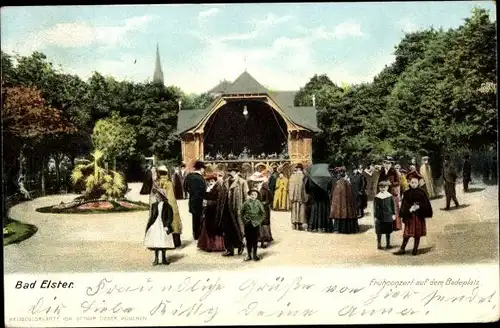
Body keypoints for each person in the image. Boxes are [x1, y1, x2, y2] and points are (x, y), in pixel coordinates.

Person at [395, 171, 433, 256]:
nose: (414, 184)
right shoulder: (407, 193)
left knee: (417, 233)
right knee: (407, 233)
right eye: (412, 182)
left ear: (418, 182)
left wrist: (419, 206)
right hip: (410, 217)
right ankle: (402, 248)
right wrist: (409, 209)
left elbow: (426, 204)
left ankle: (415, 249)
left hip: (418, 217)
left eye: (415, 182)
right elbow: (404, 205)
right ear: (409, 182)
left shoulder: (422, 192)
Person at [144, 190, 174, 266]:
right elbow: (151, 217)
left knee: (163, 241)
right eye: (156, 196)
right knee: (156, 241)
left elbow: (170, 217)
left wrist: (167, 225)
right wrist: (149, 225)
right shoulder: (154, 205)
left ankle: (164, 259)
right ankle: (156, 259)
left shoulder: (167, 206)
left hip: (163, 225)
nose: (156, 197)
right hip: (155, 225)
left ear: (162, 197)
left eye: (158, 196)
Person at [222, 165, 247, 256]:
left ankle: (240, 245)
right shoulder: (225, 182)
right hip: (227, 209)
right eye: (230, 171)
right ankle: (229, 249)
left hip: (237, 209)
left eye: (233, 171)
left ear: (238, 173)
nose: (231, 172)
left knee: (238, 229)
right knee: (227, 230)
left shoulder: (242, 182)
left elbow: (246, 197)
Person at [197, 173, 225, 252]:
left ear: (215, 180)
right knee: (207, 226)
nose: (210, 182)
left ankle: (216, 246)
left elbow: (219, 201)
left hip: (215, 211)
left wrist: (208, 203)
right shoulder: (208, 188)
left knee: (215, 227)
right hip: (208, 211)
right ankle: (208, 245)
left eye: (212, 180)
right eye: (209, 181)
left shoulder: (218, 188)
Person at [156, 165, 182, 248]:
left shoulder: (158, 183)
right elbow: (171, 196)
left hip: (162, 205)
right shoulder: (169, 183)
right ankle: (176, 242)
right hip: (171, 205)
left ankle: (165, 242)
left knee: (163, 220)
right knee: (174, 221)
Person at [330, 167, 359, 234]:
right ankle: (348, 229)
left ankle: (338, 229)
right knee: (347, 212)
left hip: (339, 204)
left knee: (339, 212)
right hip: (346, 203)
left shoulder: (339, 183)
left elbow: (335, 194)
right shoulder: (347, 183)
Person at [249, 172, 274, 248]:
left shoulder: (265, 189)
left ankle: (265, 240)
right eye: (255, 182)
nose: (257, 183)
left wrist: (262, 204)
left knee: (264, 224)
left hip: (264, 209)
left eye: (258, 182)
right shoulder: (253, 190)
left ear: (261, 182)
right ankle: (258, 239)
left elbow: (269, 199)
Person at [241, 189, 266, 261]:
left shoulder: (258, 203)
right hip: (248, 224)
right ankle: (249, 255)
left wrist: (259, 221)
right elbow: (241, 213)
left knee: (255, 240)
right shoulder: (246, 203)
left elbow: (263, 214)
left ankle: (255, 255)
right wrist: (245, 220)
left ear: (257, 196)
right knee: (248, 240)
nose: (253, 196)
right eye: (252, 195)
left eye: (255, 195)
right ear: (249, 195)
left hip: (256, 224)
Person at [184, 160, 206, 240]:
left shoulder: (189, 176)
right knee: (201, 218)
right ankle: (199, 234)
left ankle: (195, 234)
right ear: (201, 169)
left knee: (195, 218)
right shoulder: (201, 179)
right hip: (200, 200)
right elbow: (204, 190)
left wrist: (192, 193)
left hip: (192, 200)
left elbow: (185, 187)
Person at [378, 157, 402, 231]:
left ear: (391, 164)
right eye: (386, 163)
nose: (387, 164)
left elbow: (398, 182)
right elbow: (379, 183)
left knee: (394, 209)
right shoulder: (382, 172)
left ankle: (396, 226)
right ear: (384, 164)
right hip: (384, 192)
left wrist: (391, 183)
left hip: (392, 192)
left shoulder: (393, 171)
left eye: (389, 163)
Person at [373, 181, 395, 250]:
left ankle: (388, 244)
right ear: (379, 188)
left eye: (384, 187)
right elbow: (375, 207)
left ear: (387, 187)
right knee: (379, 231)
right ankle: (379, 244)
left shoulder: (390, 196)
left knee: (388, 230)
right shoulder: (377, 197)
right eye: (381, 187)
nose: (382, 189)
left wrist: (393, 214)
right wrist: (375, 216)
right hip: (380, 216)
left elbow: (392, 206)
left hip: (388, 216)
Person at [288, 164, 308, 230]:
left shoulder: (292, 176)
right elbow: (305, 187)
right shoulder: (304, 176)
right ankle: (300, 224)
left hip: (294, 196)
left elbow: (290, 186)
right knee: (301, 209)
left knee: (294, 209)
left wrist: (291, 196)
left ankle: (294, 223)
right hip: (301, 196)